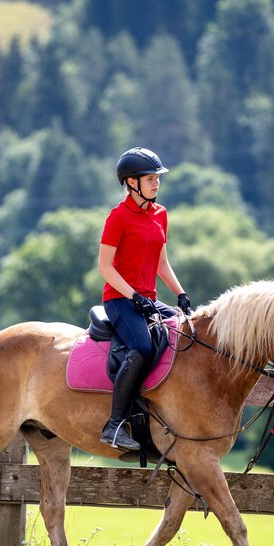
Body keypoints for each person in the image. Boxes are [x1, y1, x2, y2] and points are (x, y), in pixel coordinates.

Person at [97, 147, 193, 450]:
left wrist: (180, 293)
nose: (156, 183)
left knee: (188, 330)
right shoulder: (118, 217)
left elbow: (162, 264)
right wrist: (134, 296)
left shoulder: (161, 215)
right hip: (119, 300)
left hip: (147, 299)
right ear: (131, 182)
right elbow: (104, 267)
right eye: (150, 178)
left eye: (157, 178)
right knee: (141, 346)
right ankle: (114, 427)